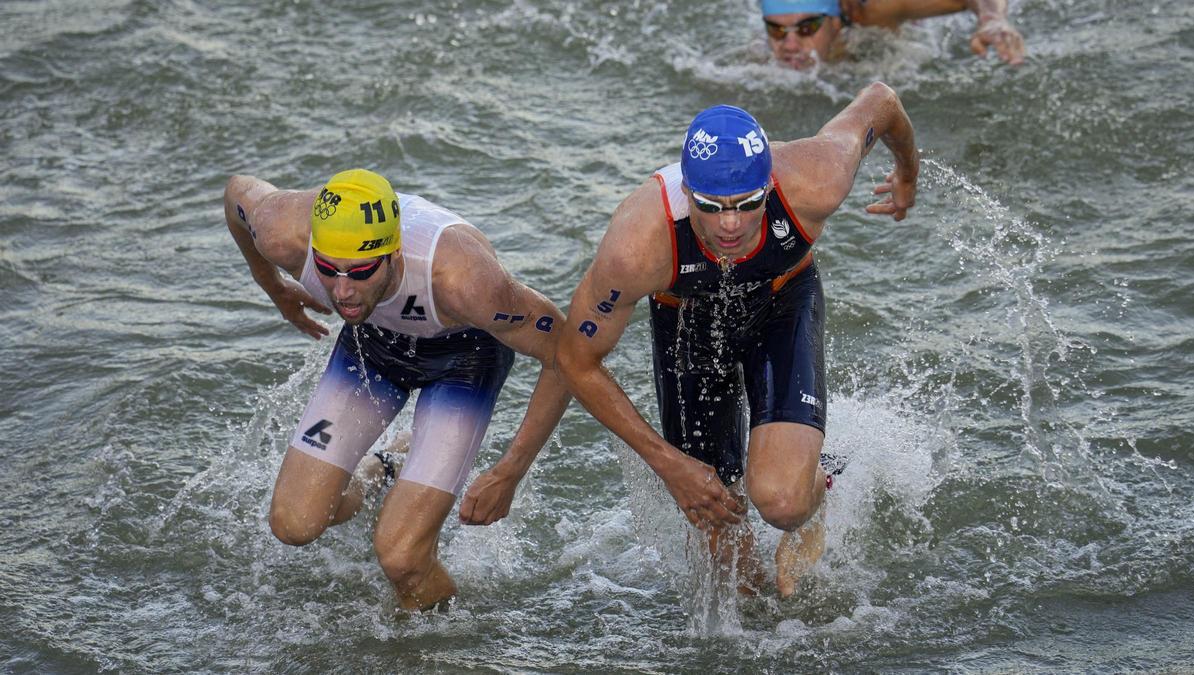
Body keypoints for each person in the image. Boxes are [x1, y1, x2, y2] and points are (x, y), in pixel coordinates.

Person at [555, 82, 918, 597]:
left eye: (748, 204)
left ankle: (820, 483)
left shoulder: (816, 178)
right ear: (686, 193)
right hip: (688, 324)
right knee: (727, 554)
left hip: (782, 300)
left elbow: (881, 101)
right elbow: (575, 358)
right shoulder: (638, 244)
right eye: (711, 205)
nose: (730, 225)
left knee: (783, 502)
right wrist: (669, 465)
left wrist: (908, 173)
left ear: (769, 186)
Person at [222, 169, 571, 610]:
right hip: (372, 338)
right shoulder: (281, 230)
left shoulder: (464, 280)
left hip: (463, 359)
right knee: (295, 523)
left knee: (402, 556)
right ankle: (385, 467)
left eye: (360, 272)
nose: (342, 290)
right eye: (327, 270)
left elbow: (565, 352)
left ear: (394, 253)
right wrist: (274, 286)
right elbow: (237, 192)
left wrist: (510, 470)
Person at [761, 0, 1025, 69]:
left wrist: (991, 20)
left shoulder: (872, 15)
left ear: (836, 23)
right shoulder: (756, 65)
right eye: (776, 30)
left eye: (807, 28)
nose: (790, 44)